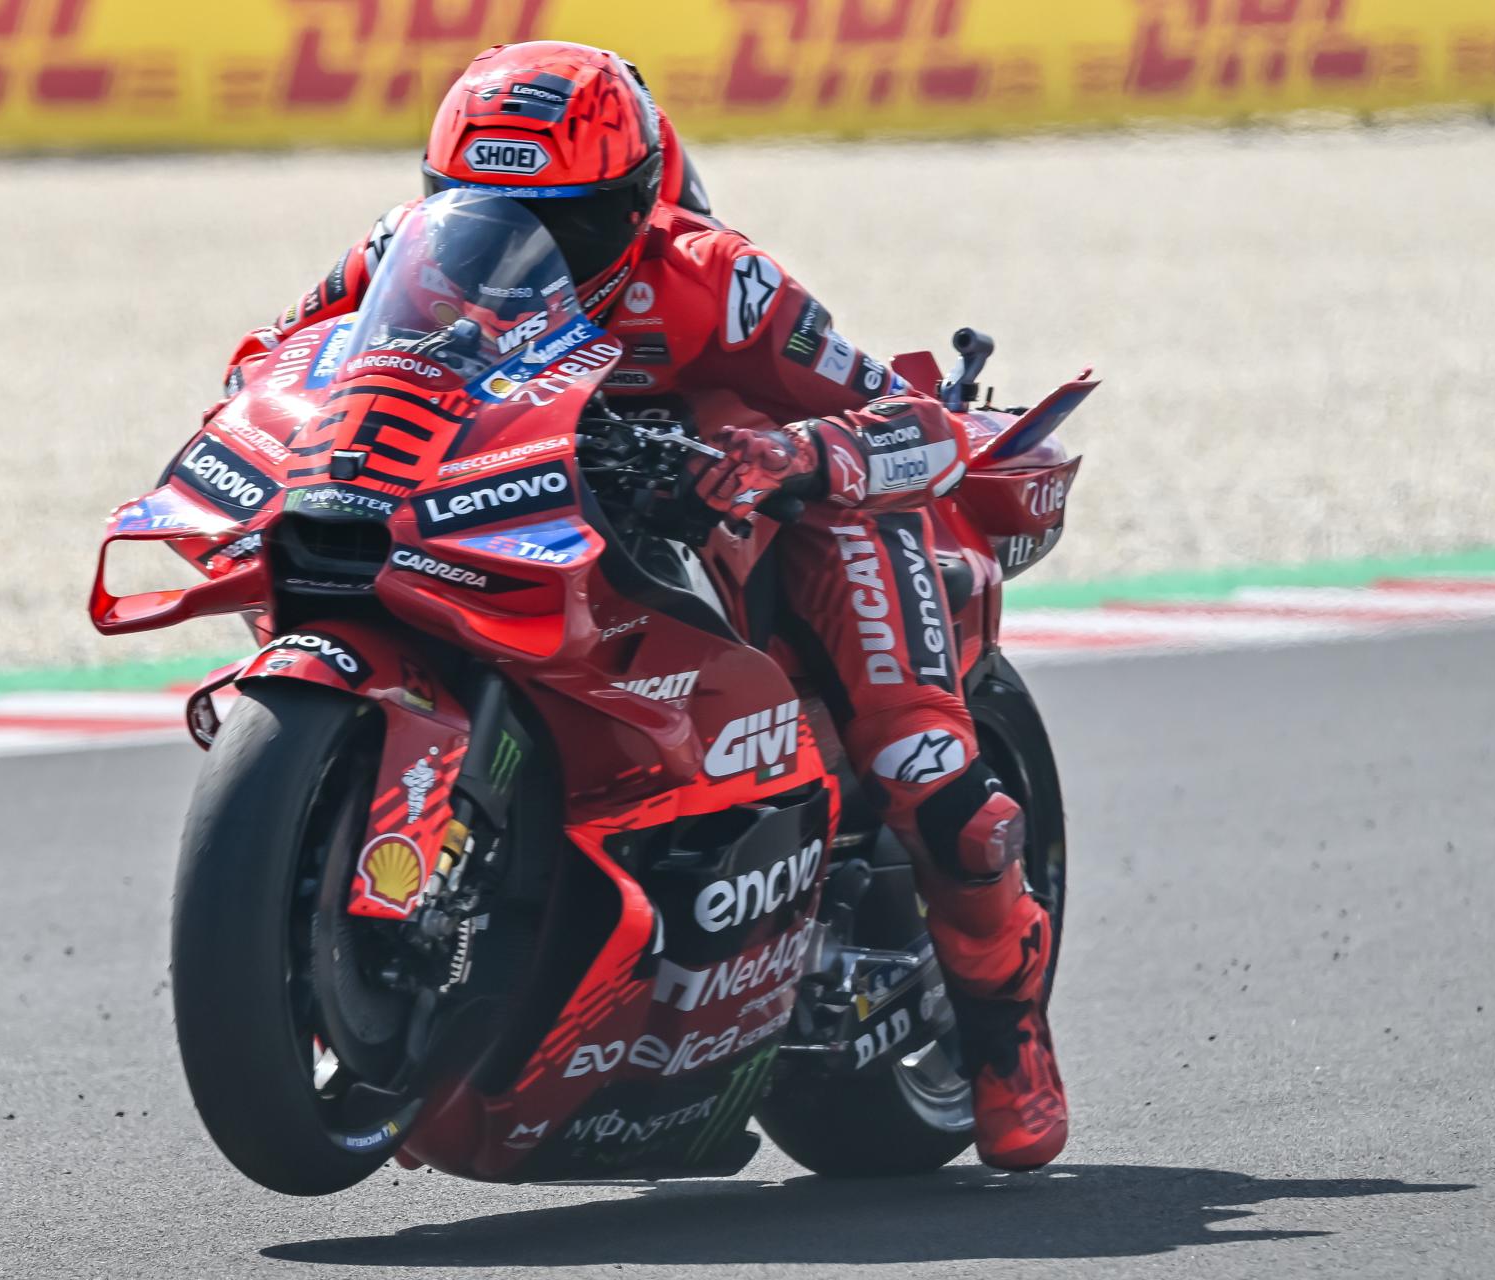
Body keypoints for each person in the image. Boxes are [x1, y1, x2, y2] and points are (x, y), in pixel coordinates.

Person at [223, 40, 1066, 1171]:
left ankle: (1009, 1040)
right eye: (476, 211)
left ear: (631, 202)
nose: (517, 244)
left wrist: (788, 453)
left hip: (800, 521)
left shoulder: (717, 277)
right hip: (538, 518)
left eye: (560, 224)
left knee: (928, 772)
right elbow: (277, 356)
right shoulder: (394, 253)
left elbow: (915, 420)